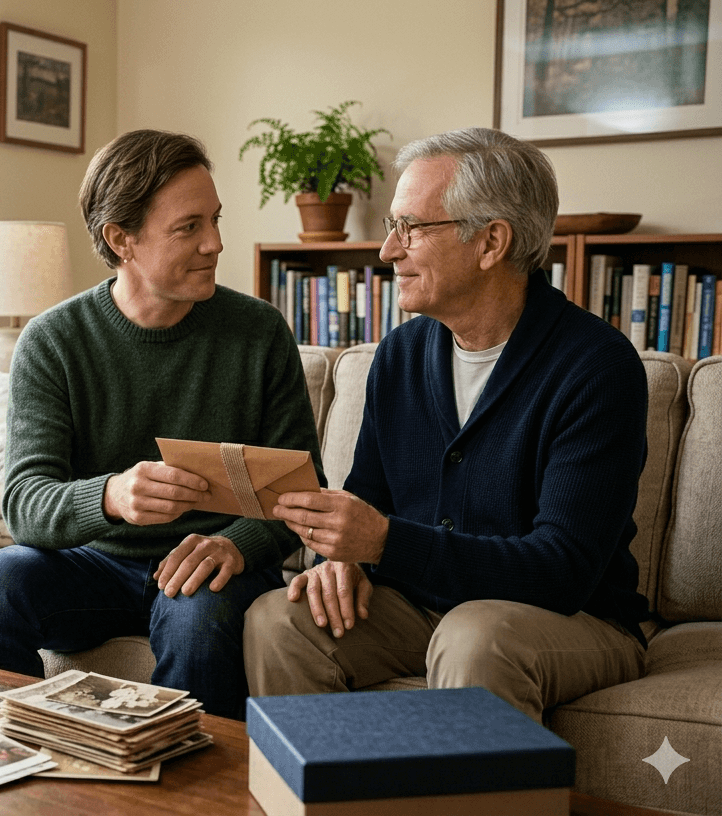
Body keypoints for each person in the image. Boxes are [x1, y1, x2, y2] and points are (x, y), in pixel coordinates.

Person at [243, 127, 650, 722]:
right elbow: (368, 497)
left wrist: (382, 542)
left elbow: (561, 571)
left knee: (474, 634)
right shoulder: (400, 355)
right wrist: (342, 559)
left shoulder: (596, 368)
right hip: (420, 606)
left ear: (491, 242)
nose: (387, 251)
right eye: (391, 227)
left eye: (411, 228)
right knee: (278, 619)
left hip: (575, 618)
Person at [0, 129, 323, 720]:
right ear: (120, 238)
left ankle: (194, 803)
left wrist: (234, 543)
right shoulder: (52, 341)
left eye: (215, 220)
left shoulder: (258, 332)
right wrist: (113, 495)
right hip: (92, 564)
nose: (216, 243)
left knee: (201, 618)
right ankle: (18, 764)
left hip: (208, 562)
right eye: (189, 227)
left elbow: (303, 494)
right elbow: (24, 504)